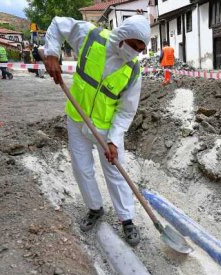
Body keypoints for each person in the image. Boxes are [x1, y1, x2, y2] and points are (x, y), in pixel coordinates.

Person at [44, 15, 150, 246]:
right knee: (82, 168)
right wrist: (51, 53)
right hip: (76, 116)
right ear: (123, 36)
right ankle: (94, 208)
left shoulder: (132, 72)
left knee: (115, 172)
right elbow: (57, 24)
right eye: (134, 46)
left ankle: (127, 219)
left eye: (141, 50)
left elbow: (126, 111)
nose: (136, 53)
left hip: (105, 127)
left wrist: (113, 140)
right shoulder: (90, 37)